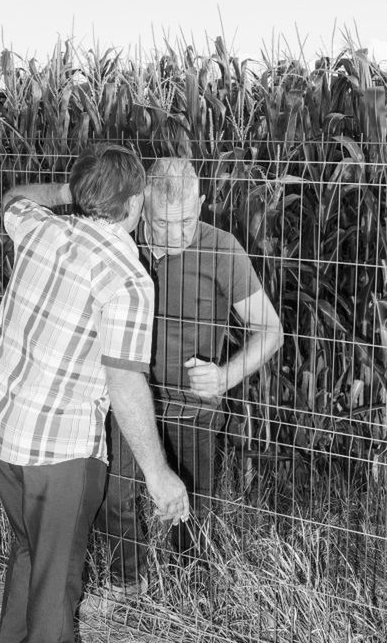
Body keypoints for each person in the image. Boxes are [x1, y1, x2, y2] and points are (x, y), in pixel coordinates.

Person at [0, 144, 189, 643]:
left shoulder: (41, 230)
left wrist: (69, 192)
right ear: (135, 204)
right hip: (59, 454)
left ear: (82, 193)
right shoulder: (128, 278)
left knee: (30, 552)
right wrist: (159, 477)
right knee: (56, 595)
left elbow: (12, 198)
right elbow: (125, 382)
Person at [94, 156, 284, 594]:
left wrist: (224, 376)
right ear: (141, 206)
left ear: (201, 204)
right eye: (161, 223)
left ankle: (189, 592)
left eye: (185, 221)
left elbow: (270, 329)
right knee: (114, 489)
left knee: (193, 506)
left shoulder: (222, 248)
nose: (174, 234)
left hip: (193, 404)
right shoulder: (120, 243)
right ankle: (126, 584)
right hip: (129, 394)